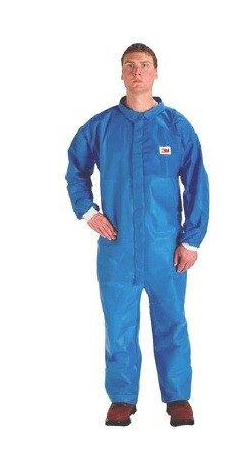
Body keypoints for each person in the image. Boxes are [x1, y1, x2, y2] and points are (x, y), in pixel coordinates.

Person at [66, 43, 209, 427]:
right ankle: (122, 397)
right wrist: (88, 211)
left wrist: (191, 240)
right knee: (119, 325)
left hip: (166, 247)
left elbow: (197, 182)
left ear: (156, 72)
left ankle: (178, 397)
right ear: (122, 73)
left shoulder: (176, 126)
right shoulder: (102, 127)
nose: (137, 72)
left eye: (144, 65)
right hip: (118, 247)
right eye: (130, 65)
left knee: (172, 322)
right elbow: (75, 168)